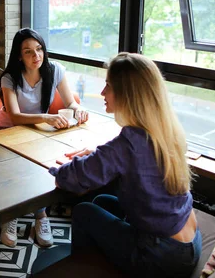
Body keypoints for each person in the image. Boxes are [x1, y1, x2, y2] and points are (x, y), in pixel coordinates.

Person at [50, 52, 201, 277]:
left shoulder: (128, 143)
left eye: (108, 85)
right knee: (102, 201)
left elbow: (68, 178)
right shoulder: (165, 129)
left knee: (83, 211)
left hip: (163, 257)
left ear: (127, 94)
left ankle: (82, 270)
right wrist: (100, 157)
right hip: (189, 242)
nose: (102, 92)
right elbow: (134, 160)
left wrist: (73, 165)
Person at [0, 27, 89, 248]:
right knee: (16, 171)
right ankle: (11, 214)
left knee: (42, 167)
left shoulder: (55, 70)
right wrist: (46, 118)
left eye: (39, 49)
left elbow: (71, 102)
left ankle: (41, 216)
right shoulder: (10, 78)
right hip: (6, 130)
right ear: (19, 55)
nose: (36, 56)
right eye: (28, 51)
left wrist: (78, 110)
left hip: (36, 129)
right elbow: (15, 117)